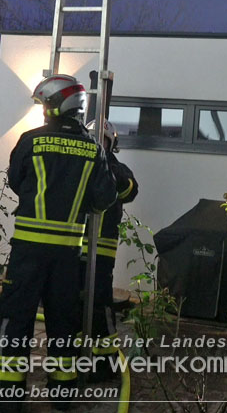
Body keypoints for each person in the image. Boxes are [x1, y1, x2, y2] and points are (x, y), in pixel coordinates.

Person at [0, 75, 116, 412]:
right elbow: (104, 199)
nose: (44, 111)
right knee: (63, 323)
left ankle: (8, 399)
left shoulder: (30, 140)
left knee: (16, 319)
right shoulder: (94, 149)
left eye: (45, 105)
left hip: (27, 251)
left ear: (55, 106)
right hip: (67, 256)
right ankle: (63, 395)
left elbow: (17, 181)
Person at [81, 119, 138, 382]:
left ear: (111, 143)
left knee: (100, 306)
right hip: (73, 248)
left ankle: (106, 363)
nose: (96, 144)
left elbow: (130, 189)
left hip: (101, 250)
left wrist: (106, 169)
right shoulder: (77, 163)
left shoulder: (116, 168)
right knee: (70, 305)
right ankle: (73, 360)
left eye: (101, 140)